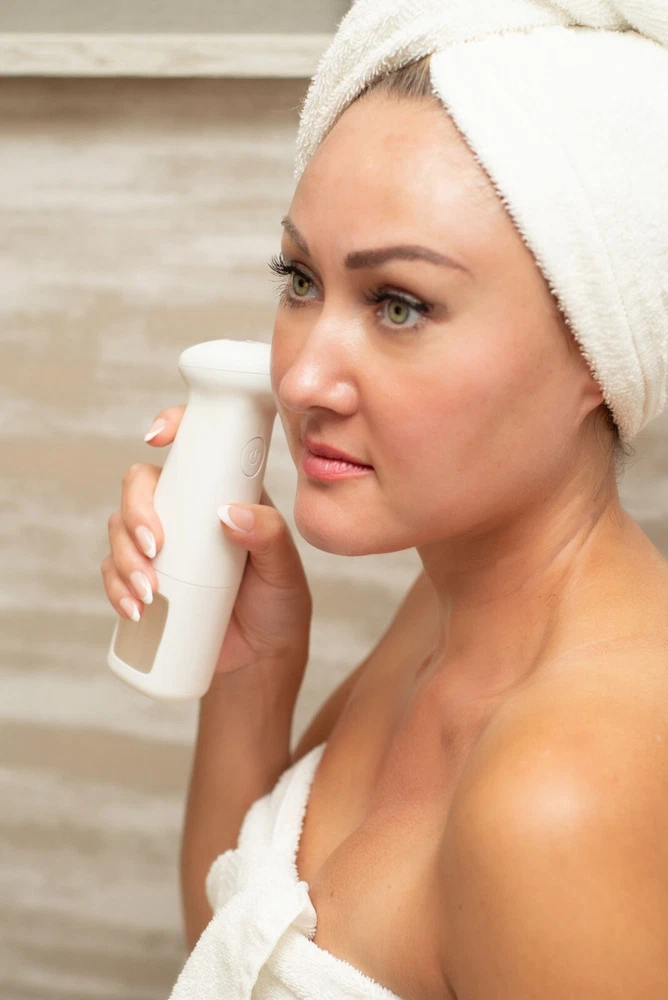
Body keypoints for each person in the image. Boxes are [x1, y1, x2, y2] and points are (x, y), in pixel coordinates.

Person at [101, 4, 668, 998]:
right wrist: (251, 674)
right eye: (300, 279)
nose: (302, 376)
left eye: (399, 304)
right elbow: (236, 951)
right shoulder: (449, 610)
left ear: (595, 350)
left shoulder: (559, 796)